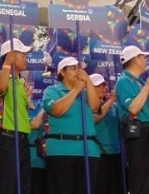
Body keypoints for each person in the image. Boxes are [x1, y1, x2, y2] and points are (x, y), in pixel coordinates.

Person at [42, 56, 100, 194]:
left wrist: (88, 82)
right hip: (61, 151)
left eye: (79, 69)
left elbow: (95, 107)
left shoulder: (86, 93)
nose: (77, 72)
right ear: (62, 72)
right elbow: (57, 110)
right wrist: (75, 90)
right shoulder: (52, 91)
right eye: (73, 68)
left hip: (88, 150)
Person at [114, 45, 149, 194]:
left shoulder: (141, 81)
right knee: (142, 177)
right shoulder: (124, 81)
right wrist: (148, 87)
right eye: (143, 56)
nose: (146, 59)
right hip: (138, 132)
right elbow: (133, 108)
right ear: (135, 59)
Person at [0, 38, 32, 194]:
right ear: (11, 56)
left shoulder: (21, 83)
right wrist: (7, 63)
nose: (26, 59)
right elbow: (1, 89)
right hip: (6, 139)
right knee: (8, 186)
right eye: (22, 55)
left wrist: (28, 101)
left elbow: (22, 113)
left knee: (23, 186)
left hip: (22, 139)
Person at [91, 73, 122, 194]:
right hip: (98, 154)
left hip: (116, 152)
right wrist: (112, 99)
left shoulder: (114, 106)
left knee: (115, 188)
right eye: (97, 86)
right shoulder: (88, 106)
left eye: (103, 85)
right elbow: (96, 117)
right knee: (101, 188)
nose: (102, 88)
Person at [28, 98, 46, 194]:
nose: (27, 89)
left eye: (27, 86)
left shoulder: (39, 104)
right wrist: (45, 108)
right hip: (31, 159)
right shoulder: (18, 109)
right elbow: (35, 124)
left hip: (47, 159)